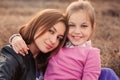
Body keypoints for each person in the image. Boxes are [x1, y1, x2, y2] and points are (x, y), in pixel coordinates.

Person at [8, 1, 120, 80]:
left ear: (92, 27)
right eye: (71, 25)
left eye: (84, 26)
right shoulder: (58, 44)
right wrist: (15, 38)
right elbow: (32, 38)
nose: (77, 31)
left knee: (107, 73)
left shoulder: (91, 53)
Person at [0, 9, 69, 80]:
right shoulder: (15, 55)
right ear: (38, 25)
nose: (53, 41)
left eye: (59, 38)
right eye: (51, 31)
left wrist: (14, 37)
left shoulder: (47, 60)